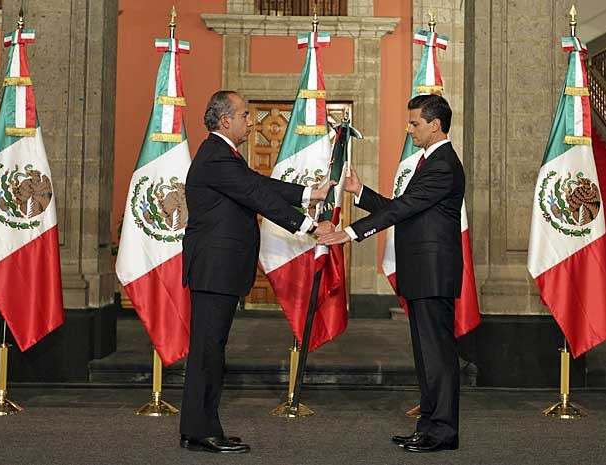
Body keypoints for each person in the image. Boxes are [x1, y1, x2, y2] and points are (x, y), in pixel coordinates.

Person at [180, 90, 334, 454]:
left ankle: (198, 427)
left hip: (218, 270)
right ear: (225, 121)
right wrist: (311, 227)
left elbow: (258, 184)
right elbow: (256, 194)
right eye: (246, 115)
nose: (251, 122)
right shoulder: (217, 157)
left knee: (210, 350)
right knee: (208, 351)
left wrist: (309, 192)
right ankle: (202, 431)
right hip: (214, 270)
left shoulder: (223, 155)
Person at [318, 94, 464, 453]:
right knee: (426, 355)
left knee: (438, 356)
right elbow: (406, 210)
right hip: (422, 272)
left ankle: (443, 432)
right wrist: (361, 193)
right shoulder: (429, 162)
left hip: (433, 273)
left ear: (435, 124)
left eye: (415, 123)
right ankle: (428, 426)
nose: (409, 129)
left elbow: (406, 206)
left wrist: (352, 233)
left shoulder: (443, 164)